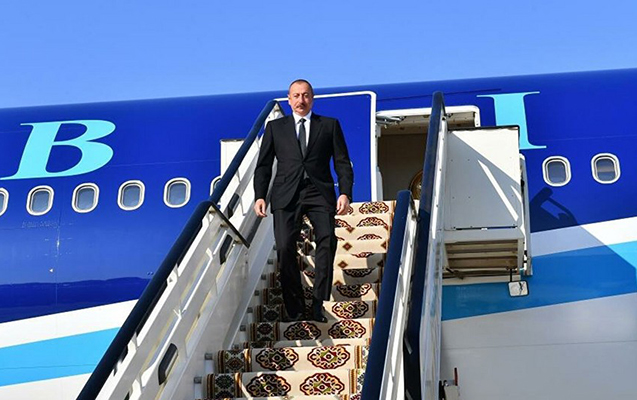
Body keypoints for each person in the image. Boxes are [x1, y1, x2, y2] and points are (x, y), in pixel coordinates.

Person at [253, 79, 353, 323]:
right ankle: (295, 309)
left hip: (319, 191)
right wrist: (260, 195)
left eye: (306, 95)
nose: (301, 100)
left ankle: (318, 303)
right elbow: (263, 165)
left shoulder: (329, 125)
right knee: (285, 247)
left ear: (312, 98)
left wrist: (345, 193)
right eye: (296, 96)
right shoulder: (275, 128)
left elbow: (342, 162)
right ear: (288, 100)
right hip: (286, 193)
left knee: (327, 241)